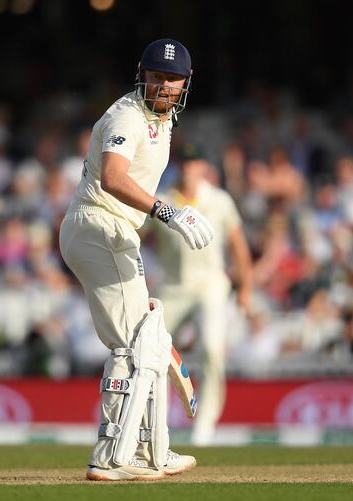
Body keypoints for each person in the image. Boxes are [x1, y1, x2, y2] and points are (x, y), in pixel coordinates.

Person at [59, 38, 214, 481]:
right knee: (134, 347)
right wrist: (166, 211)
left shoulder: (164, 119)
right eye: (156, 76)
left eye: (172, 79)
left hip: (112, 231)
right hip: (98, 225)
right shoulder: (127, 115)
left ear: (186, 83)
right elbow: (112, 177)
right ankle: (111, 456)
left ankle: (150, 451)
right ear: (142, 75)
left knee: (147, 335)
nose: (163, 85)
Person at [153, 143, 253, 446]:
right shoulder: (163, 200)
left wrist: (246, 287)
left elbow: (238, 246)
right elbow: (137, 235)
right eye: (184, 162)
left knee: (211, 349)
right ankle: (154, 422)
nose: (188, 168)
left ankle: (205, 424)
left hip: (211, 286)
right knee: (149, 352)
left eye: (194, 162)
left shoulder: (220, 200)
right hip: (172, 288)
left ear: (203, 167)